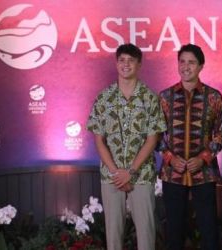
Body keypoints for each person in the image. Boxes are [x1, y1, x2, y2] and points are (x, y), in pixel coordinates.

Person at [87, 43, 166, 250]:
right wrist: (117, 173)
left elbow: (153, 139)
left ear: (139, 65)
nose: (126, 64)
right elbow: (99, 140)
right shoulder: (104, 98)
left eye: (131, 60)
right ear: (116, 63)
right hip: (111, 177)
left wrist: (130, 172)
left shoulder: (150, 98)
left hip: (141, 175)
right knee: (113, 237)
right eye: (122, 60)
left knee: (146, 235)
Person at [158, 44, 222, 250]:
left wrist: (203, 158)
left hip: (203, 174)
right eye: (182, 61)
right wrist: (170, 158)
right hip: (173, 173)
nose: (186, 66)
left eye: (192, 62)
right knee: (174, 232)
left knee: (208, 230)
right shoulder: (165, 97)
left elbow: (221, 133)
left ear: (201, 66)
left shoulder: (213, 97)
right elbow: (157, 135)